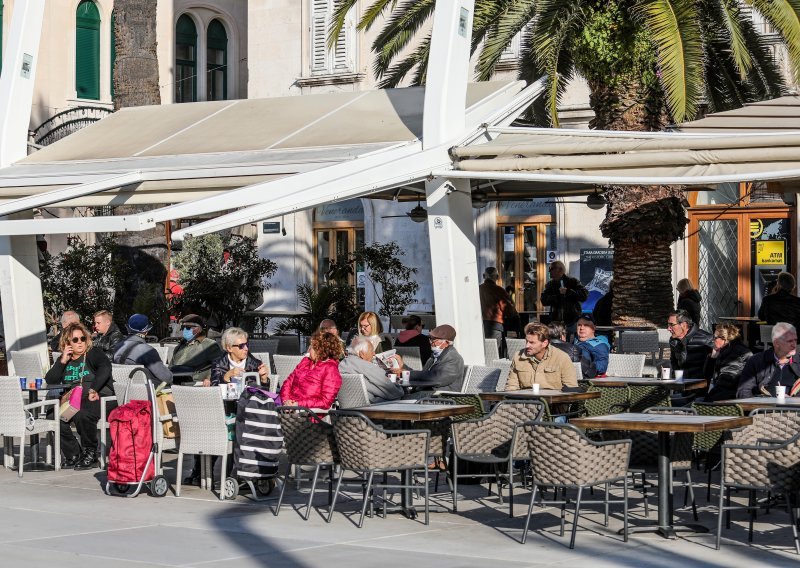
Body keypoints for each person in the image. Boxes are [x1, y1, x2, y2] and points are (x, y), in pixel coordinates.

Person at [44, 321, 112, 470]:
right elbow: (50, 380)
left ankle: (91, 453)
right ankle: (73, 454)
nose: (80, 342)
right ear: (67, 343)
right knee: (52, 416)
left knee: (82, 413)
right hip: (73, 400)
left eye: (83, 338)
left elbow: (105, 368)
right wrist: (62, 361)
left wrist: (94, 389)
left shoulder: (93, 353)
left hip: (98, 397)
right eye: (75, 340)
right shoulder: (64, 360)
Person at [394, 324, 465, 395]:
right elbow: (424, 375)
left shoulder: (453, 358)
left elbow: (436, 379)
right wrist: (403, 366)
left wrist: (406, 373)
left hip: (441, 397)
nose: (431, 342)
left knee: (396, 397)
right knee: (395, 394)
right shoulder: (435, 355)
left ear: (446, 343)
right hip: (428, 394)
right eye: (430, 338)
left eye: (434, 340)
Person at [506, 322, 578, 391]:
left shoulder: (561, 358)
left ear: (544, 343)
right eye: (526, 341)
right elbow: (511, 387)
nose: (527, 345)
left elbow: (570, 389)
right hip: (525, 401)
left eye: (532, 342)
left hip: (553, 402)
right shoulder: (518, 357)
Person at [280, 331, 344, 408]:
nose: (309, 349)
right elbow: (288, 383)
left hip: (308, 414)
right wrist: (286, 400)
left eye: (312, 346)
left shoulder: (330, 369)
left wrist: (298, 404)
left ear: (320, 350)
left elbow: (325, 402)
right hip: (289, 408)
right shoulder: (305, 361)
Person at [737, 322, 799, 398]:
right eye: (789, 341)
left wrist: (793, 400)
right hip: (763, 408)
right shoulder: (757, 361)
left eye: (795, 340)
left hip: (794, 408)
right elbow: (743, 390)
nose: (794, 345)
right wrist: (758, 406)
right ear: (776, 343)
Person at [339, 335, 404, 403]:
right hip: (374, 408)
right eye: (371, 350)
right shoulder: (367, 367)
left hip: (349, 409)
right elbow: (395, 392)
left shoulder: (343, 364)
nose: (374, 354)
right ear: (361, 354)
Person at [113, 314, 173, 386]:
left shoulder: (117, 347)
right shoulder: (147, 351)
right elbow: (166, 378)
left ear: (128, 328)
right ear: (146, 331)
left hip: (122, 390)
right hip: (146, 392)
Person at [703, 324, 752, 402]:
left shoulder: (736, 354)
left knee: (687, 410)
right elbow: (706, 376)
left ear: (724, 339)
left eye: (715, 337)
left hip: (730, 400)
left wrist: (708, 400)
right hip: (725, 397)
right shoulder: (726, 351)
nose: (712, 340)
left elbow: (726, 383)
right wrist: (712, 358)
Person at [170, 314, 224, 385]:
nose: (185, 330)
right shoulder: (180, 346)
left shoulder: (209, 345)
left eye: (188, 328)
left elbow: (220, 366)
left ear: (199, 328)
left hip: (196, 383)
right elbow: (171, 366)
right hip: (175, 383)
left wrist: (209, 378)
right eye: (183, 327)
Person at [479, 266, 519, 357]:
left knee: (483, 353)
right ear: (496, 277)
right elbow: (508, 309)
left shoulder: (478, 289)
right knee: (494, 354)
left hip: (480, 325)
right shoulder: (499, 290)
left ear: (484, 276)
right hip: (495, 326)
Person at [540, 261, 588, 331]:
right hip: (556, 322)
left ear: (560, 269)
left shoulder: (573, 281)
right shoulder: (550, 285)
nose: (549, 271)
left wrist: (568, 292)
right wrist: (558, 297)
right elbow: (544, 300)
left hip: (572, 320)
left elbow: (584, 295)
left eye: (551, 268)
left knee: (571, 340)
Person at [668, 310, 713, 379]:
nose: (668, 329)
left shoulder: (706, 339)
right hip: (681, 383)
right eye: (668, 325)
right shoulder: (673, 341)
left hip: (700, 385)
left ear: (684, 325)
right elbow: (674, 362)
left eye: (672, 325)